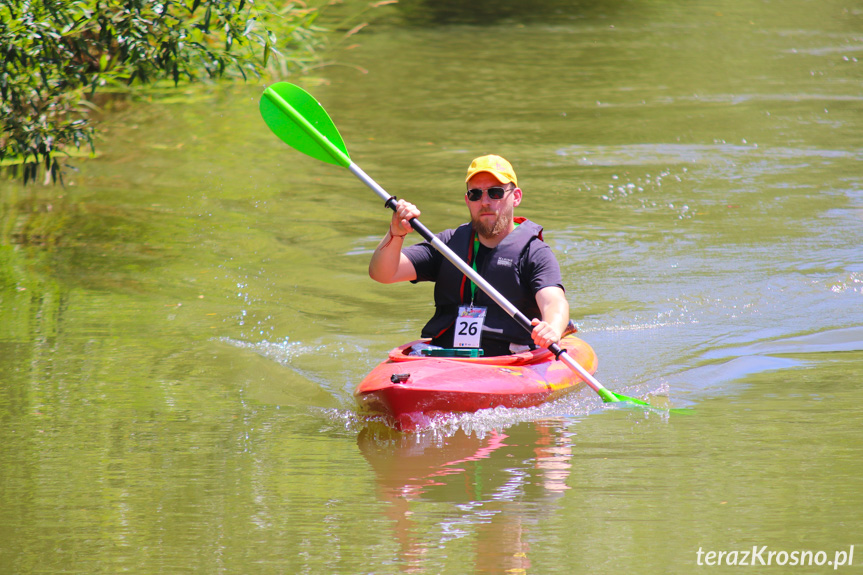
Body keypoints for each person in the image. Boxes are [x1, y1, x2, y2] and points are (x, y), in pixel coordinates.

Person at [368, 155, 570, 357]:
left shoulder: (534, 252)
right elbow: (383, 273)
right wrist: (396, 232)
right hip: (445, 355)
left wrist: (552, 327)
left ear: (516, 197)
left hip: (508, 359)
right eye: (475, 194)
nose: (484, 202)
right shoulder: (447, 244)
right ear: (467, 200)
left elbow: (553, 301)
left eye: (495, 192)